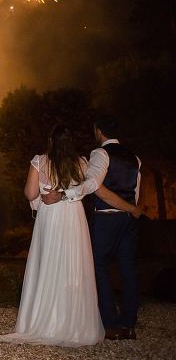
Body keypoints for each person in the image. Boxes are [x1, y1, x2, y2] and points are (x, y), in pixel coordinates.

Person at [0, 124, 135, 347]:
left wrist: (40, 194)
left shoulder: (39, 161)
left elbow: (30, 193)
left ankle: (46, 320)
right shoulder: (81, 162)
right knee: (72, 265)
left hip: (50, 217)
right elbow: (89, 188)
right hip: (73, 216)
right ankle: (74, 322)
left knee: (49, 263)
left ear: (51, 141)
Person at [41, 116, 142, 340]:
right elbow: (135, 191)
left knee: (99, 268)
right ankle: (129, 324)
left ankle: (111, 324)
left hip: (106, 219)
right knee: (128, 270)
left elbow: (94, 185)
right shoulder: (134, 158)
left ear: (98, 131)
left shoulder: (100, 154)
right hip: (128, 220)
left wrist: (65, 194)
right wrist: (132, 210)